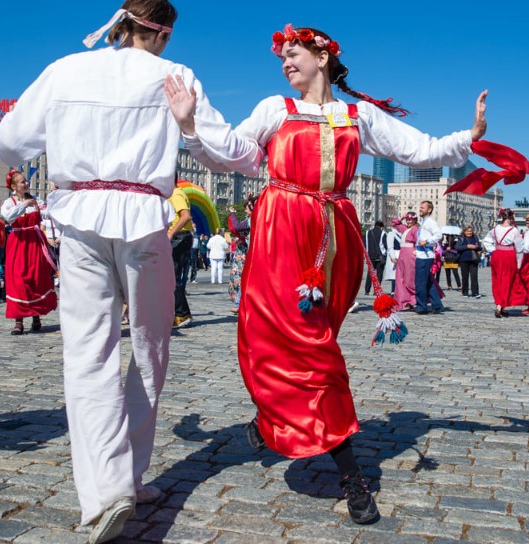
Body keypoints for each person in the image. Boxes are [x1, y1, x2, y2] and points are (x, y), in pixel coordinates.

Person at [165, 23, 486, 523]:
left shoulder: (358, 116)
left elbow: (418, 150)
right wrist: (189, 126)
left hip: (335, 238)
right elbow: (234, 153)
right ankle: (351, 475)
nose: (286, 63)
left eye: (293, 53)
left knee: (316, 338)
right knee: (310, 348)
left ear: (323, 55)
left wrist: (469, 136)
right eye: (282, 57)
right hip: (281, 231)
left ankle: (274, 418)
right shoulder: (275, 110)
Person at [0, 1, 238, 541]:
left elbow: (9, 141)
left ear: (120, 25)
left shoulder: (65, 69)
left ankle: (105, 490)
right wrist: (191, 128)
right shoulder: (176, 75)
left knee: (87, 354)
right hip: (145, 222)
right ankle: (127, 476)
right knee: (149, 347)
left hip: (79, 218)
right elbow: (230, 156)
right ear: (165, 34)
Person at [0, 171, 57, 335]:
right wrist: (23, 205)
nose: (25, 184)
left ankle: (36, 315)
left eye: (26, 181)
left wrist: (55, 198)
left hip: (35, 243)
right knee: (18, 280)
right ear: (13, 186)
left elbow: (47, 213)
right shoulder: (9, 203)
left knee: (36, 278)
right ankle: (18, 320)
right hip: (18, 243)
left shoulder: (36, 201)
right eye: (22, 182)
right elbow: (8, 217)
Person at [482, 209, 523, 318]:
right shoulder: (514, 230)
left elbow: (486, 241)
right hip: (509, 254)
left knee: (497, 280)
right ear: (511, 218)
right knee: (507, 280)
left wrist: (493, 250)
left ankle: (501, 305)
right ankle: (500, 306)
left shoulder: (495, 229)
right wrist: (519, 263)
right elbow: (519, 248)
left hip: (497, 254)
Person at [168, 180, 193, 328]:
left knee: (173, 277)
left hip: (180, 237)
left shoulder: (175, 194)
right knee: (171, 277)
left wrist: (171, 233)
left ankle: (181, 314)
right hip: (181, 237)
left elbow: (185, 216)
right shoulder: (176, 193)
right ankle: (181, 313)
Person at [414, 201, 444, 314]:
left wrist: (426, 242)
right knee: (427, 281)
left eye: (423, 207)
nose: (420, 209)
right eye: (420, 207)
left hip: (425, 256)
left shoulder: (431, 222)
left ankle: (422, 306)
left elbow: (438, 235)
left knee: (420, 282)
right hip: (421, 253)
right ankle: (437, 304)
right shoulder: (423, 222)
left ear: (430, 209)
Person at [395, 212, 419, 310]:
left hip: (410, 254)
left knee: (410, 278)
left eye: (410, 220)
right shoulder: (405, 229)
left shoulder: (415, 229)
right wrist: (401, 217)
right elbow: (395, 223)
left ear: (414, 220)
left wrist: (417, 251)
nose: (408, 221)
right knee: (400, 278)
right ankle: (404, 300)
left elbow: (418, 240)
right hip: (402, 254)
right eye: (407, 220)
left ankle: (413, 299)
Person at [455, 225, 481, 298]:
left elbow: (480, 247)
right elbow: (457, 247)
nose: (469, 232)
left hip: (474, 260)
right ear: (464, 232)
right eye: (468, 231)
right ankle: (465, 292)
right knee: (465, 277)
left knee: (474, 276)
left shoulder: (475, 238)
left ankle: (475, 292)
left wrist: (476, 247)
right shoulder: (461, 238)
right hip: (464, 260)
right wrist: (467, 246)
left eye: (470, 231)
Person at [383, 217, 405, 296]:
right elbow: (390, 247)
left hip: (401, 255)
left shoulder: (402, 234)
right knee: (394, 276)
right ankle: (393, 292)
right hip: (395, 255)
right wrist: (393, 257)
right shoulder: (391, 234)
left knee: (401, 276)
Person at [364, 221, 386, 295]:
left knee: (370, 274)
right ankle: (376, 291)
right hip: (380, 257)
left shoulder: (368, 233)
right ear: (381, 226)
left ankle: (367, 290)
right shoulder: (383, 233)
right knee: (379, 274)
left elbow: (365, 243)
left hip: (370, 256)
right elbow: (385, 245)